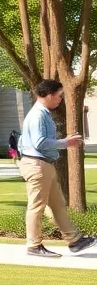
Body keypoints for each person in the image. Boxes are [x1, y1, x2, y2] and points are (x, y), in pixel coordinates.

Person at [19, 79, 97, 258]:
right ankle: (33, 245)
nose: (61, 99)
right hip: (38, 164)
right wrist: (66, 142)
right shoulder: (38, 115)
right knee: (36, 206)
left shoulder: (41, 113)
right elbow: (40, 143)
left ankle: (75, 241)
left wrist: (63, 142)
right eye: (60, 95)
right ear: (49, 94)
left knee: (57, 205)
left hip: (42, 165)